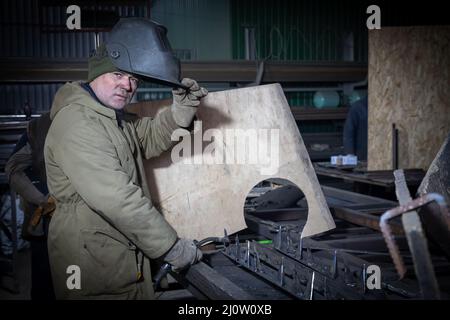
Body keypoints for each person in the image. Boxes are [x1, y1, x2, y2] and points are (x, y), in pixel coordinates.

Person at [44, 18, 207, 299]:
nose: (127, 85)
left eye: (133, 79)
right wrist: (170, 247)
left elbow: (152, 136)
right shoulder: (78, 123)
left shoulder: (113, 119)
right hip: (93, 271)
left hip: (116, 259)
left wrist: (181, 109)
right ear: (96, 74)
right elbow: (118, 199)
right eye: (118, 75)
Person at [5, 112, 55, 300]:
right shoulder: (39, 127)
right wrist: (42, 200)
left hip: (69, 218)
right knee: (47, 274)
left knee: (70, 277)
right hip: (44, 216)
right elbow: (13, 168)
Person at [343, 96, 368, 161]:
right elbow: (349, 131)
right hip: (362, 155)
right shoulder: (359, 107)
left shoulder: (385, 107)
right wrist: (350, 153)